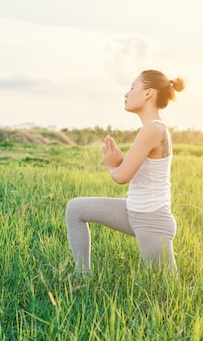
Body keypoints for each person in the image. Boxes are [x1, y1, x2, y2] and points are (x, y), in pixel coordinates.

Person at [65, 69, 185, 275]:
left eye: (132, 88)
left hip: (151, 220)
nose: (126, 94)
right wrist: (120, 162)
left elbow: (121, 177)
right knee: (75, 209)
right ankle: (82, 277)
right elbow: (140, 172)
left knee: (167, 292)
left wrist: (112, 165)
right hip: (133, 212)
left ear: (148, 93)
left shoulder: (153, 129)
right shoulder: (152, 128)